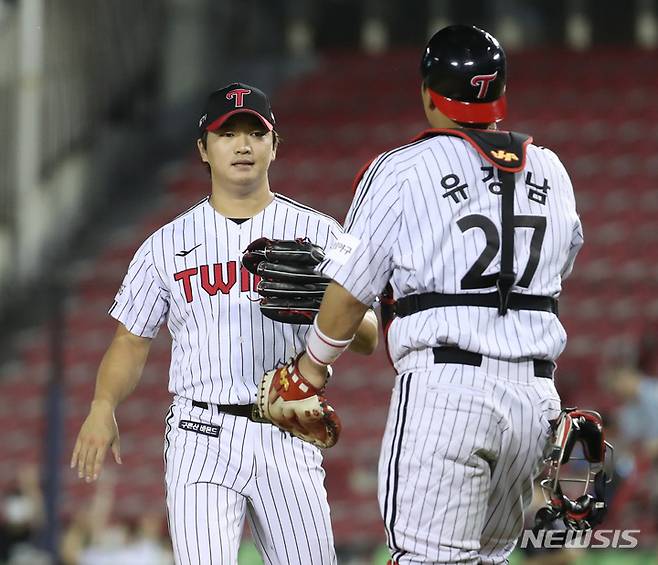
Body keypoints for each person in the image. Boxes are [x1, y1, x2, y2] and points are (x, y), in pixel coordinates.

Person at [269, 25, 583, 563]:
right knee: (487, 559)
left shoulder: (403, 168)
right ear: (500, 93)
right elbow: (558, 268)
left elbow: (350, 291)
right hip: (535, 402)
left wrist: (308, 371)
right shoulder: (553, 169)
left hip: (447, 391)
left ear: (428, 94)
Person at [70, 82, 378, 565]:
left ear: (274, 145)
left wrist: (327, 300)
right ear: (203, 149)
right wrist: (102, 404)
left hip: (287, 428)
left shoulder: (321, 233)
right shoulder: (165, 244)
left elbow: (369, 336)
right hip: (200, 432)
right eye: (227, 134)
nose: (242, 145)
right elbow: (130, 341)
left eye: (255, 133)